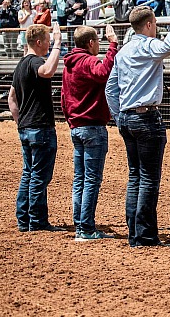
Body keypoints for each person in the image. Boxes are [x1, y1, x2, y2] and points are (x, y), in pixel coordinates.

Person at [105, 0, 170, 248]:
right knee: (149, 178)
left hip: (128, 118)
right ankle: (146, 236)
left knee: (135, 176)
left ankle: (135, 233)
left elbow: (110, 89)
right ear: (149, 24)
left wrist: (119, 116)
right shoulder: (147, 45)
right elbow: (169, 46)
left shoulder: (123, 52)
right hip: (147, 118)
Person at [61, 25, 118, 241]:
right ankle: (85, 227)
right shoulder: (88, 61)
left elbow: (64, 98)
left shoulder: (69, 65)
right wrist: (113, 45)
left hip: (76, 126)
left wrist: (71, 120)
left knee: (80, 178)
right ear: (91, 43)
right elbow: (104, 72)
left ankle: (80, 221)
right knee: (92, 179)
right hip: (92, 126)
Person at [7, 23, 66, 232]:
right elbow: (48, 70)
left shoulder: (21, 64)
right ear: (39, 42)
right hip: (40, 127)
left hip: (26, 127)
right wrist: (58, 45)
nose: (50, 43)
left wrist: (20, 122)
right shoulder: (34, 62)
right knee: (39, 177)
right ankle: (37, 221)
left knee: (28, 174)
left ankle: (24, 219)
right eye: (48, 40)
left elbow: (11, 98)